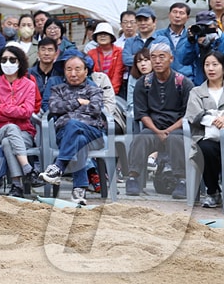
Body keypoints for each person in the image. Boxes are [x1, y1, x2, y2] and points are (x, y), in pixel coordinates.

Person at [39, 53, 106, 205]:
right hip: (65, 135)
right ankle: (79, 189)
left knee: (72, 124)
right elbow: (54, 107)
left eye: (77, 69)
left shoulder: (94, 90)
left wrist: (68, 109)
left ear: (86, 71)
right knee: (78, 138)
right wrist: (78, 102)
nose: (73, 73)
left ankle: (58, 166)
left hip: (93, 133)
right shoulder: (57, 89)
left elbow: (95, 109)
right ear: (64, 71)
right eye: (69, 69)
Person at [125, 42, 189, 198]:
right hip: (153, 128)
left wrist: (168, 130)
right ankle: (133, 177)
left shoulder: (183, 82)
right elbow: (142, 113)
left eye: (162, 56)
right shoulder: (143, 83)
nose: (157, 61)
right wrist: (157, 131)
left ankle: (182, 181)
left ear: (171, 58)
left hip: (176, 129)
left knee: (176, 140)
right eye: (153, 57)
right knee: (141, 138)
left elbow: (188, 114)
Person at [0, 45, 42, 196]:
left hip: (24, 133)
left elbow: (27, 112)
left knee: (8, 141)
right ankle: (28, 168)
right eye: (3, 59)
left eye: (12, 59)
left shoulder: (29, 84)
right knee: (10, 128)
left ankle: (17, 185)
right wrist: (15, 111)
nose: (7, 63)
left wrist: (1, 107)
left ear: (20, 62)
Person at [186, 50, 224, 208]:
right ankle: (213, 192)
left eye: (215, 64)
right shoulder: (196, 92)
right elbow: (193, 115)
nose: (211, 68)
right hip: (206, 137)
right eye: (207, 65)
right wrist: (215, 119)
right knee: (205, 149)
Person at [87, 22, 125, 95]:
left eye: (106, 34)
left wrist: (112, 92)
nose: (102, 36)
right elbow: (91, 75)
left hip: (115, 91)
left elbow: (118, 73)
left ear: (111, 37)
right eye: (100, 34)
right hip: (95, 91)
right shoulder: (91, 53)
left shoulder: (119, 52)